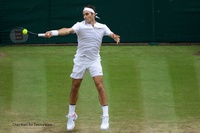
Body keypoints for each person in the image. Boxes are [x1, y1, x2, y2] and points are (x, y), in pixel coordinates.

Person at [44, 5, 120, 131]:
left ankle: (105, 117)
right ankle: (71, 115)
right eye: (83, 14)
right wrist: (53, 33)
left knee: (99, 85)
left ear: (93, 14)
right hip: (80, 60)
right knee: (74, 87)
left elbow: (111, 33)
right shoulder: (79, 25)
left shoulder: (103, 27)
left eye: (87, 14)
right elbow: (67, 30)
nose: (84, 17)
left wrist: (115, 36)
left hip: (94, 60)